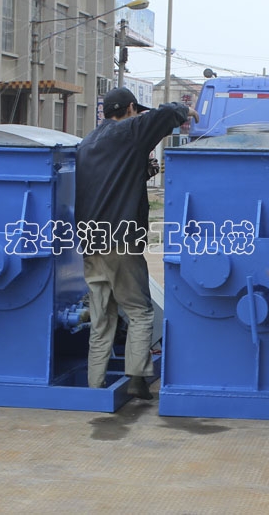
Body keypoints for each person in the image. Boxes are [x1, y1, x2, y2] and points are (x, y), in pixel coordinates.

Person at [75, 87, 199, 399]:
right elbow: (165, 115)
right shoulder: (129, 130)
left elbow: (109, 182)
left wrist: (142, 171)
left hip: (90, 242)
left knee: (102, 318)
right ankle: (137, 379)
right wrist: (187, 111)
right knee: (140, 310)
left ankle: (94, 386)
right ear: (131, 108)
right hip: (121, 240)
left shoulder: (88, 142)